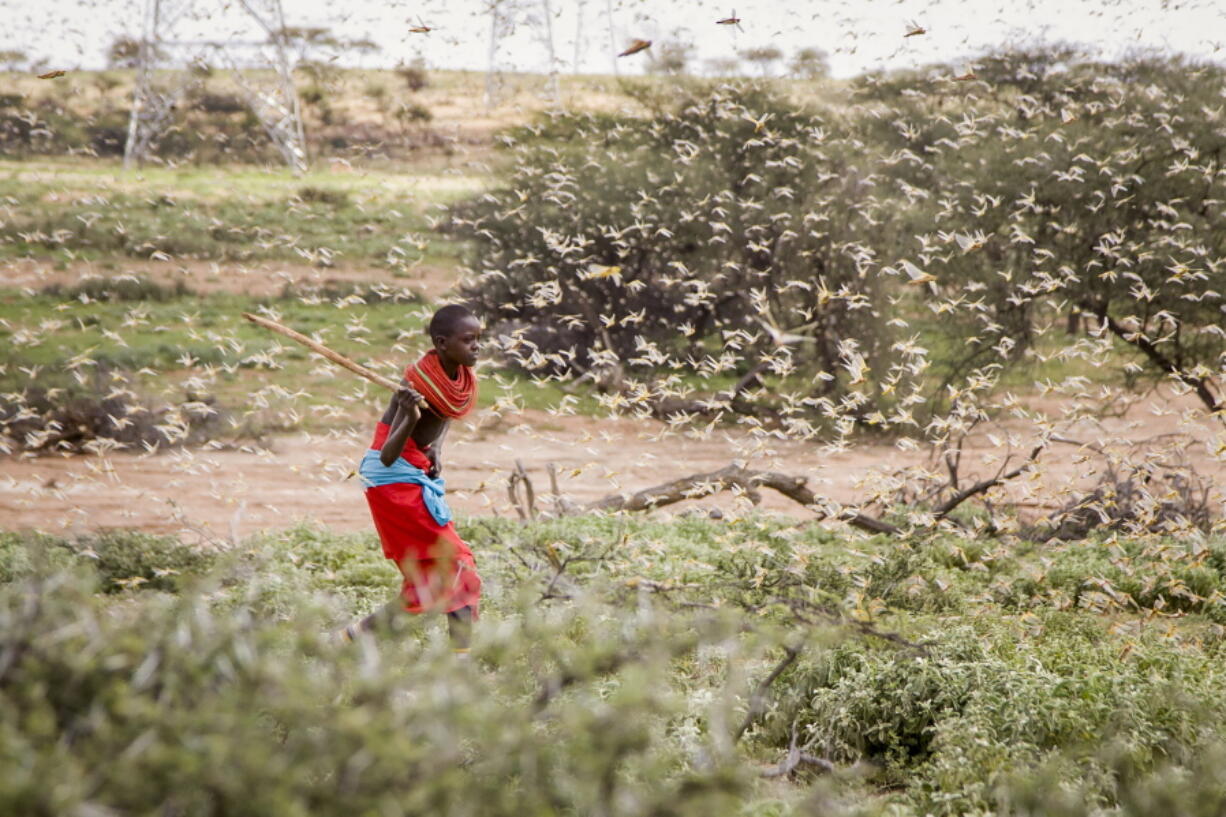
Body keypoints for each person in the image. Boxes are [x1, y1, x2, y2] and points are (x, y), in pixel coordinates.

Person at [340, 304, 483, 653]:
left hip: (413, 469)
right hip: (391, 479)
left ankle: (352, 637)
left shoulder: (457, 376)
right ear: (442, 343)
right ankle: (460, 662)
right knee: (459, 564)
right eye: (469, 341)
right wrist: (407, 412)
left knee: (429, 582)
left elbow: (446, 414)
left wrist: (435, 449)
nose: (477, 347)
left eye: (478, 340)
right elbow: (388, 456)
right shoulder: (418, 382)